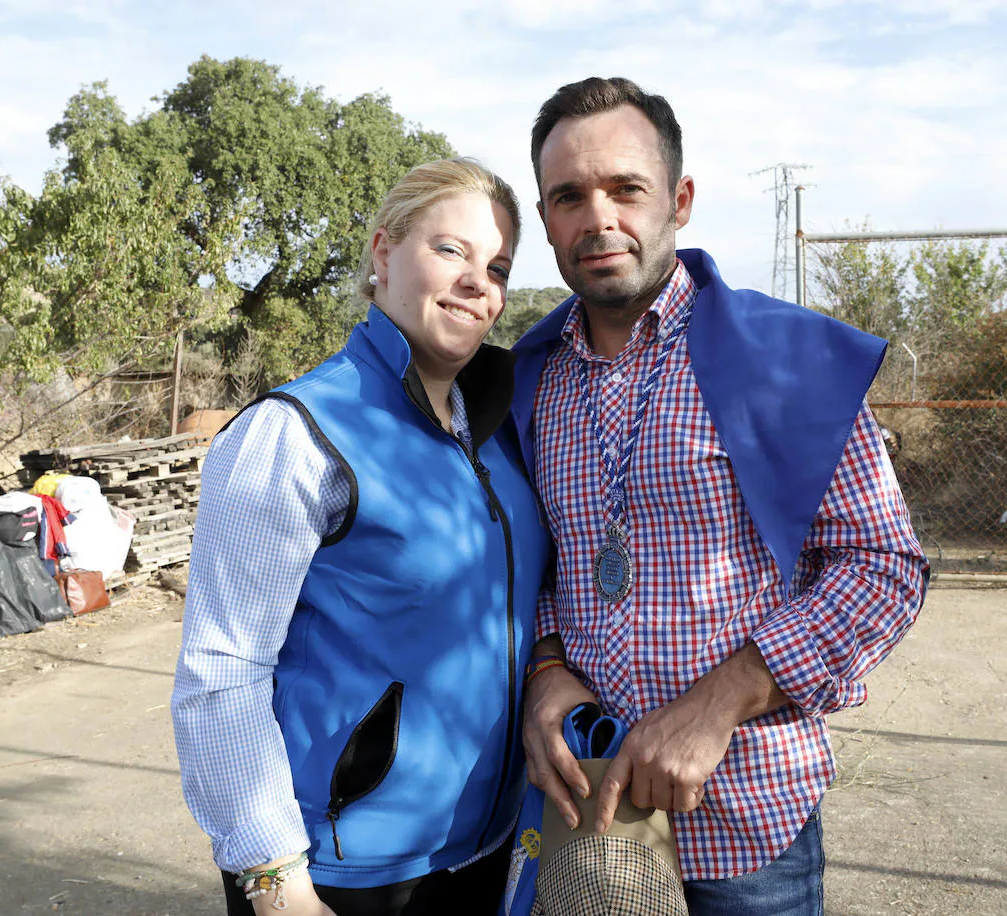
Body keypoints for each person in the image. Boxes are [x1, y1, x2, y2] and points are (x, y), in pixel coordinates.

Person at [511, 78, 930, 915]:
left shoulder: (789, 361)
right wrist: (548, 669)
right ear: (546, 216)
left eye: (627, 189)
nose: (599, 219)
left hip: (745, 825)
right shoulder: (528, 377)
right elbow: (536, 562)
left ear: (680, 199)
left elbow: (885, 568)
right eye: (569, 196)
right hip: (589, 813)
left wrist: (718, 703)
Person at [172, 158, 551, 916]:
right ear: (382, 253)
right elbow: (221, 669)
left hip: (486, 852)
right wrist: (274, 882)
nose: (480, 282)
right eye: (451, 250)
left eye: (498, 266)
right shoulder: (295, 434)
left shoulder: (504, 433)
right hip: (343, 872)